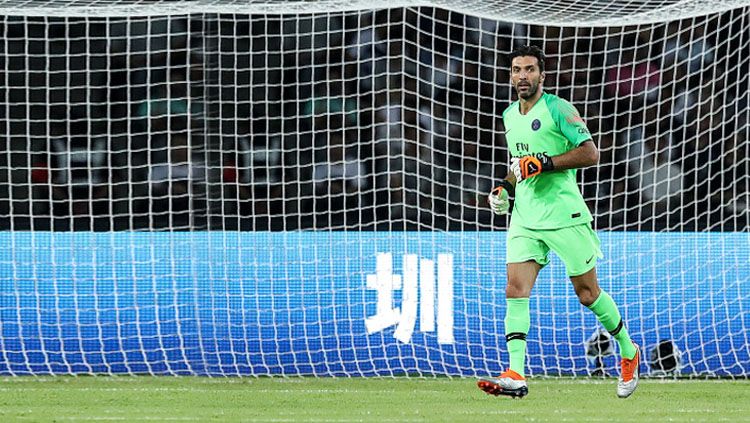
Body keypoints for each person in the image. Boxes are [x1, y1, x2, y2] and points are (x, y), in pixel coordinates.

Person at [476, 45, 640, 399]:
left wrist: (544, 162)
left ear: (542, 75)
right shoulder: (508, 115)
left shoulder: (558, 108)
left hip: (565, 215)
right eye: (517, 69)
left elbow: (590, 152)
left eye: (530, 69)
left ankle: (629, 351)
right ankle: (515, 372)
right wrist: (504, 188)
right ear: (510, 75)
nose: (523, 75)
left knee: (587, 294)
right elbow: (519, 164)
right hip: (525, 217)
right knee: (515, 290)